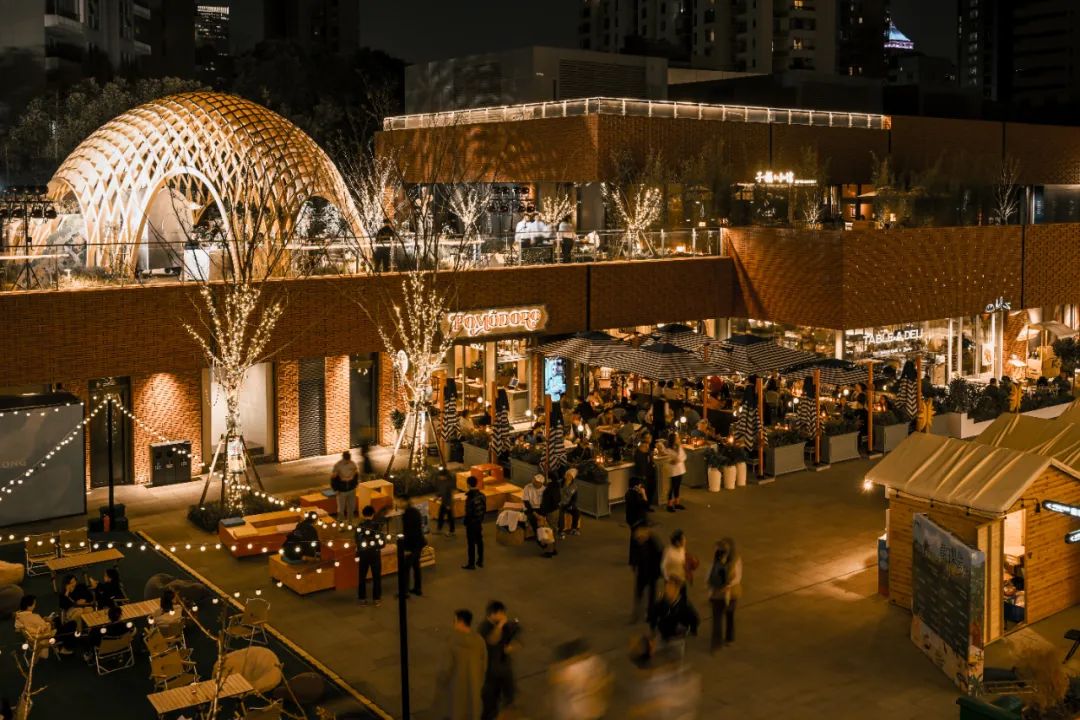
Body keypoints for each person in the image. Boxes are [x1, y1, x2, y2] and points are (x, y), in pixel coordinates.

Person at [435, 609, 487, 720]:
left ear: (460, 622)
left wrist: (441, 684)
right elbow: (484, 665)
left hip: (456, 691)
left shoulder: (452, 641)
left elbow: (446, 669)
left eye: (455, 621)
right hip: (474, 689)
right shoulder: (479, 641)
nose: (453, 623)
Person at [549, 638, 612, 720]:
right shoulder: (595, 661)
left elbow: (555, 680)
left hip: (580, 713)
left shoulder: (569, 670)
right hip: (596, 710)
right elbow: (607, 682)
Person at [478, 601, 520, 720]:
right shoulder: (484, 628)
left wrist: (511, 647)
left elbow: (516, 642)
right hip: (490, 673)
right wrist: (500, 625)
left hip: (504, 669)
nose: (503, 615)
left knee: (509, 699)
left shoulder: (505, 626)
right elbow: (493, 640)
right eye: (501, 613)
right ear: (492, 614)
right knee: (490, 705)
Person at [709, 537, 742, 649]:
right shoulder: (719, 558)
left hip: (729, 593)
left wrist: (727, 585)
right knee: (719, 618)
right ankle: (721, 640)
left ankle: (727, 638)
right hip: (721, 593)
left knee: (728, 616)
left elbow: (737, 577)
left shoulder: (735, 560)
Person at [648, 579, 699, 643]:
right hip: (663, 636)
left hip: (677, 639)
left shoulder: (683, 605)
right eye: (666, 588)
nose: (667, 590)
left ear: (677, 591)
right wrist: (653, 628)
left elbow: (694, 618)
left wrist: (689, 629)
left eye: (670, 588)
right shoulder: (662, 602)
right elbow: (653, 614)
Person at [630, 525, 663, 623]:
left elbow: (660, 558)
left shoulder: (655, 544)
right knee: (638, 592)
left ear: (646, 534)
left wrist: (658, 572)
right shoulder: (638, 542)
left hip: (652, 573)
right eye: (637, 538)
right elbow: (635, 553)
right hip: (642, 572)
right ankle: (636, 614)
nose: (639, 540)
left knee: (652, 595)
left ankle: (650, 614)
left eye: (640, 538)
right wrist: (634, 564)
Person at [356, 505, 387, 606]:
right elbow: (383, 543)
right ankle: (376, 599)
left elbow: (357, 541)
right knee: (376, 577)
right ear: (373, 514)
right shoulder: (378, 526)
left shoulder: (359, 526)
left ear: (363, 514)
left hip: (363, 554)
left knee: (362, 577)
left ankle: (362, 599)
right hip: (375, 554)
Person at [400, 496, 427, 597]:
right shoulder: (415, 511)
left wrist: (407, 548)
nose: (399, 504)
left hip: (412, 545)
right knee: (416, 566)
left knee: (405, 568)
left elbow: (409, 533)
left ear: (405, 502)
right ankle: (417, 588)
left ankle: (405, 592)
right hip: (419, 543)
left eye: (400, 502)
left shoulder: (407, 514)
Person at [462, 476, 486, 570]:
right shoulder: (482, 495)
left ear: (468, 484)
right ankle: (480, 561)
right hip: (478, 522)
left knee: (471, 544)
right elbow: (484, 509)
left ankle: (471, 564)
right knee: (479, 541)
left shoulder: (470, 497)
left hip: (471, 524)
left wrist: (465, 522)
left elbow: (469, 513)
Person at [331, 450, 360, 526]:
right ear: (343, 458)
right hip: (341, 491)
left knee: (351, 508)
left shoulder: (352, 464)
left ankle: (350, 523)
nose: (348, 460)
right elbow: (333, 479)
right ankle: (341, 525)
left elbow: (356, 475)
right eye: (346, 459)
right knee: (341, 509)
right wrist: (336, 489)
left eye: (348, 459)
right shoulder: (338, 465)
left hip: (351, 489)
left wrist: (355, 484)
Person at [624, 479, 650, 565]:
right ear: (636, 486)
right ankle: (640, 559)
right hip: (638, 520)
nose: (641, 487)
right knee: (640, 540)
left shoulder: (628, 493)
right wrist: (643, 494)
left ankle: (633, 559)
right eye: (639, 485)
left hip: (631, 520)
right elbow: (646, 505)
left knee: (634, 540)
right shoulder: (636, 496)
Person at [539, 474, 562, 558]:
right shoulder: (557, 487)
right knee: (554, 530)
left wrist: (543, 513)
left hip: (550, 512)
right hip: (556, 511)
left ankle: (549, 551)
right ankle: (554, 549)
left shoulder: (549, 489)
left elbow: (546, 503)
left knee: (548, 532)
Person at [663, 433, 686, 513]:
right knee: (672, 487)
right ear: (673, 440)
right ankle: (669, 504)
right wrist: (672, 460)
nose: (678, 439)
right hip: (673, 471)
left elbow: (684, 456)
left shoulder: (679, 447)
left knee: (677, 487)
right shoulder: (668, 449)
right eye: (677, 438)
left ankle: (677, 503)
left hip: (680, 470)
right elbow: (666, 459)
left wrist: (678, 459)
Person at [633, 435, 658, 509]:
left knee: (651, 488)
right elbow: (640, 465)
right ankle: (643, 506)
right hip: (643, 475)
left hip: (650, 473)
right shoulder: (639, 452)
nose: (647, 447)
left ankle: (647, 505)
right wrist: (642, 475)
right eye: (645, 445)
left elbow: (650, 460)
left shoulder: (647, 450)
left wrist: (651, 456)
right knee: (644, 491)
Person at [522, 473, 545, 547]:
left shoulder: (544, 489)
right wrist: (535, 514)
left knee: (543, 520)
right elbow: (526, 502)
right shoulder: (527, 487)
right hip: (529, 508)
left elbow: (544, 503)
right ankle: (539, 538)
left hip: (540, 508)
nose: (534, 482)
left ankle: (545, 536)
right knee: (533, 519)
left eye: (536, 482)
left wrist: (541, 514)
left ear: (541, 483)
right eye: (534, 480)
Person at [558, 468, 581, 538]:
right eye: (567, 475)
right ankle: (561, 530)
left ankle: (574, 529)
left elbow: (575, 498)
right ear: (565, 475)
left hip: (568, 504)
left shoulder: (574, 486)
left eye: (570, 476)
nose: (568, 477)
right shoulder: (559, 483)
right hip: (559, 504)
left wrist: (571, 505)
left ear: (572, 478)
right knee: (560, 513)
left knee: (577, 512)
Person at [435, 467, 456, 537]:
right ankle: (439, 529)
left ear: (444, 476)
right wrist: (437, 496)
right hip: (444, 502)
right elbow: (441, 491)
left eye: (440, 476)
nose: (439, 477)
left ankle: (452, 531)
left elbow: (450, 495)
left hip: (448, 503)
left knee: (450, 517)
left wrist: (449, 505)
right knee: (441, 515)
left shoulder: (449, 483)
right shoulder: (441, 481)